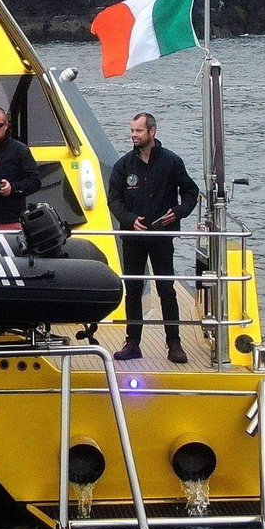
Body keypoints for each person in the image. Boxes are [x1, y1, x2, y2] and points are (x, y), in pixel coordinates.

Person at [107, 112, 199, 364]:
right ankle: (132, 342)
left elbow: (191, 192)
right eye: (132, 131)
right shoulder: (123, 165)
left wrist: (178, 213)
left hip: (161, 235)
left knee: (166, 289)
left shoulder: (171, 162)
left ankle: (174, 344)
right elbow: (113, 198)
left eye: (138, 131)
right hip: (133, 237)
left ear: (152, 132)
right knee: (133, 289)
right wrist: (128, 219)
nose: (134, 136)